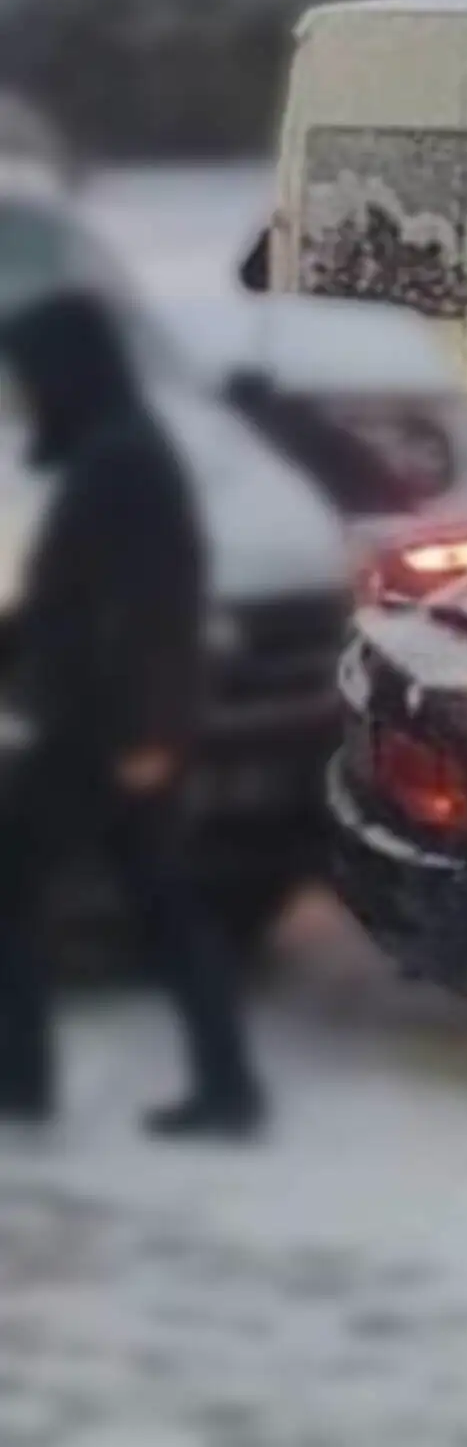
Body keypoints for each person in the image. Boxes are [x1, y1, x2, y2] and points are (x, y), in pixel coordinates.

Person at [0, 290, 265, 1138]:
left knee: (27, 892)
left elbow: (154, 613)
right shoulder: (113, 452)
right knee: (163, 906)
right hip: (107, 725)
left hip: (106, 731)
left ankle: (22, 1083)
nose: (23, 393)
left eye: (30, 376)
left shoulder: (122, 465)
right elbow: (66, 605)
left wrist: (149, 733)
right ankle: (224, 1086)